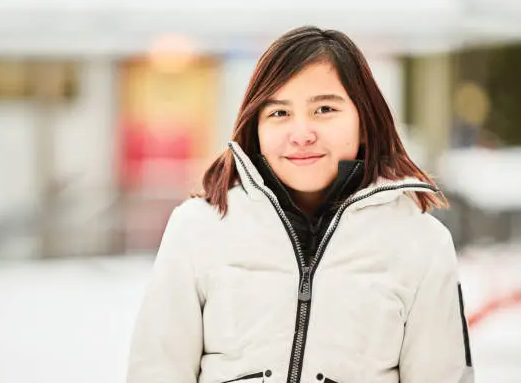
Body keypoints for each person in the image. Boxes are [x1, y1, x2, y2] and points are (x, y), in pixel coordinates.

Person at [126, 26, 474, 383]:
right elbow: (156, 371)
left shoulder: (421, 244)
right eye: (279, 113)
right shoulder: (197, 229)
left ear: (365, 122)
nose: (302, 133)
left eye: (324, 109)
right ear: (255, 128)